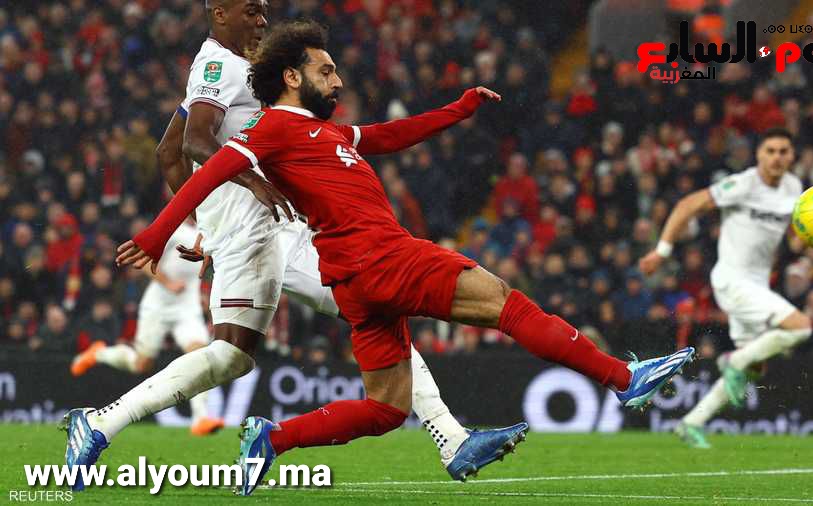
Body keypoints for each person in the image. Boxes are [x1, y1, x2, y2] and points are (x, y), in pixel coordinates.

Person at [115, 20, 694, 495]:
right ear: (291, 77)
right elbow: (203, 169)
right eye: (325, 70)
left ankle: (274, 439)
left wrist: (458, 109)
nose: (337, 79)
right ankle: (622, 378)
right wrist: (158, 234)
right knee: (505, 303)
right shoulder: (270, 130)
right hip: (381, 257)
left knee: (387, 409)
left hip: (354, 280)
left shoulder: (328, 133)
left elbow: (391, 135)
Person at [62, 2, 525, 490]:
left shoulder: (231, 69)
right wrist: (244, 194)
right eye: (251, 11)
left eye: (264, 11)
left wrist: (209, 224)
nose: (262, 20)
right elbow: (195, 142)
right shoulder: (218, 65)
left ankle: (451, 437)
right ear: (220, 14)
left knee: (269, 342)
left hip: (267, 228)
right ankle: (100, 422)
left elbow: (168, 152)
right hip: (261, 228)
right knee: (258, 345)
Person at [639, 128, 813, 449]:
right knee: (802, 327)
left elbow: (791, 240)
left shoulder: (793, 188)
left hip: (757, 284)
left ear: (792, 156)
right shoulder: (743, 184)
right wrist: (662, 251)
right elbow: (688, 204)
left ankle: (691, 422)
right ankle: (731, 360)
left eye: (783, 151)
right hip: (732, 280)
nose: (777, 157)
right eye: (770, 151)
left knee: (754, 368)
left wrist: (812, 238)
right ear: (758, 155)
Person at [70, 220, 224, 436]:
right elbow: (142, 261)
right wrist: (168, 283)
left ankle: (200, 418)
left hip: (187, 307)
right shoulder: (175, 228)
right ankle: (99, 353)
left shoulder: (210, 229)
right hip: (157, 305)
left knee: (200, 354)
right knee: (141, 364)